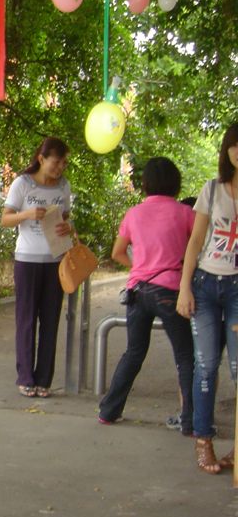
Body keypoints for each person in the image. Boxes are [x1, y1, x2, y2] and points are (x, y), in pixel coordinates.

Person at [98, 158, 194, 433]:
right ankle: (190, 420)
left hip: (138, 291)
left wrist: (140, 268)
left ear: (145, 184)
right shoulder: (185, 213)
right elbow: (195, 249)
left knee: (134, 352)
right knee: (185, 357)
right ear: (176, 183)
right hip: (171, 292)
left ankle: (109, 411)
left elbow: (117, 253)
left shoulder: (134, 214)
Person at [176, 124, 238, 474]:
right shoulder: (212, 189)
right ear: (227, 150)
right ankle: (204, 441)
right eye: (234, 144)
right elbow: (196, 242)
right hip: (205, 284)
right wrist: (184, 287)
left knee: (237, 368)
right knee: (207, 365)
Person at [0, 137, 73, 398]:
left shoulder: (63, 186)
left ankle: (44, 379)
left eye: (64, 163)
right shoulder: (22, 183)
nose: (60, 168)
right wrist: (27, 214)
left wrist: (68, 227)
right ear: (42, 159)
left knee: (50, 321)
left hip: (55, 260)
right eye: (56, 162)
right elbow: (5, 219)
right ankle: (25, 378)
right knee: (27, 321)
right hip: (27, 260)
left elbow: (66, 218)